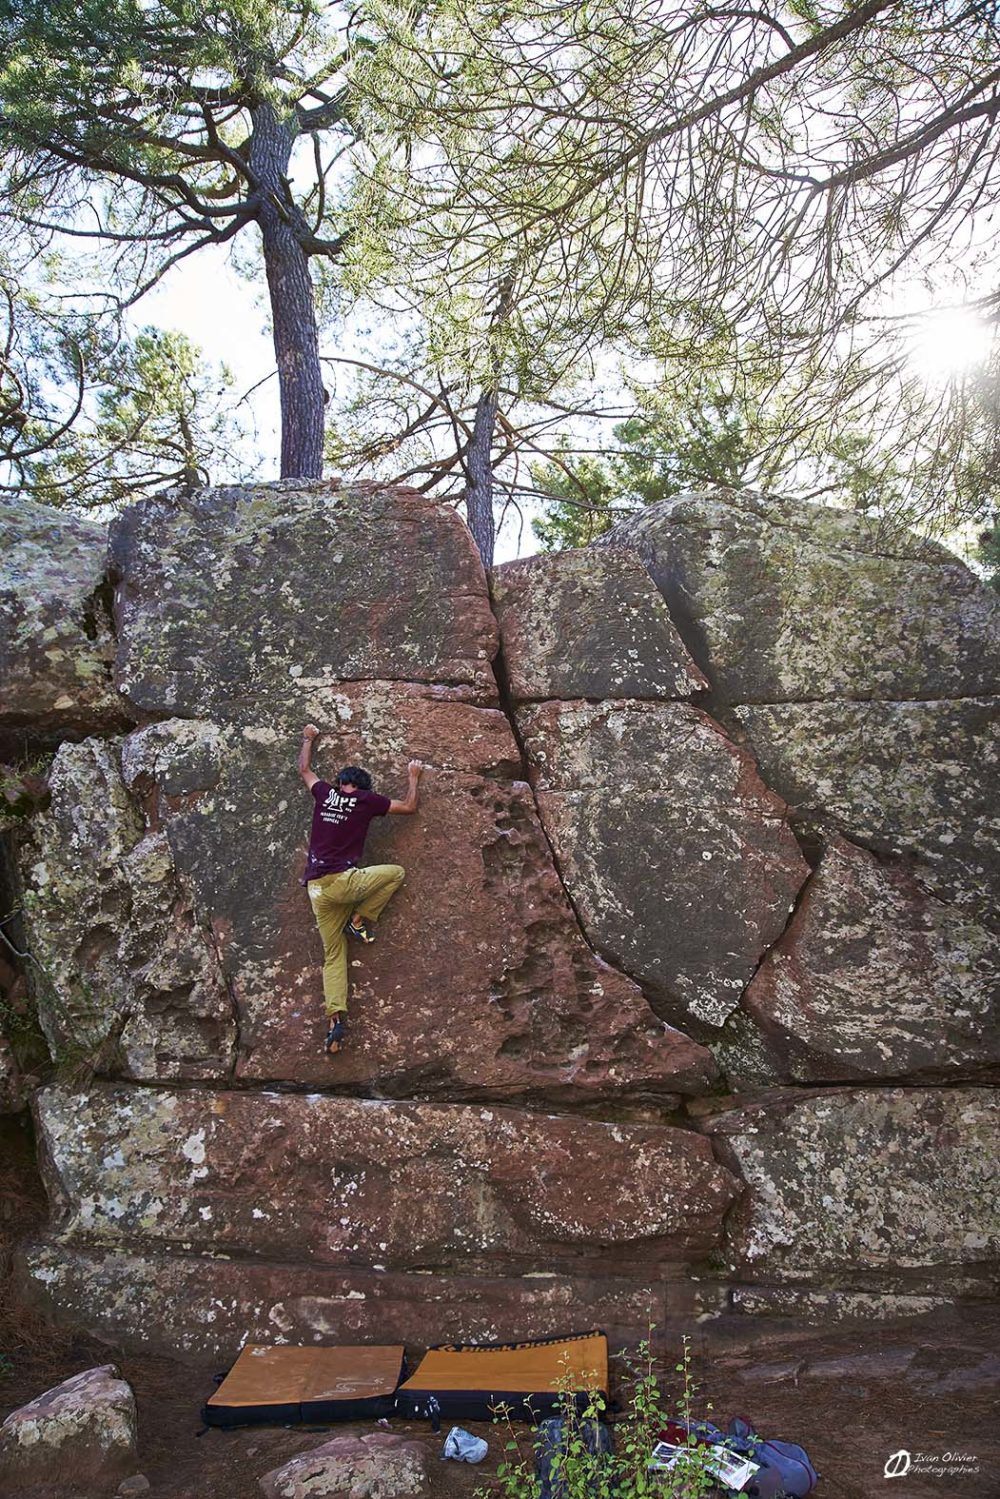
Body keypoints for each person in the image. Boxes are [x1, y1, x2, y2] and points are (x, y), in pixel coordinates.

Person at [298, 724, 423, 1054]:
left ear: (340, 783)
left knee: (333, 955)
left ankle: (335, 1020)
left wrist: (308, 738)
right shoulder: (367, 801)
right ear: (363, 787)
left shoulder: (325, 793)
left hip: (316, 890)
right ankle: (359, 921)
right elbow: (408, 807)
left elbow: (304, 769)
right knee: (395, 873)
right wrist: (413, 776)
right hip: (342, 883)